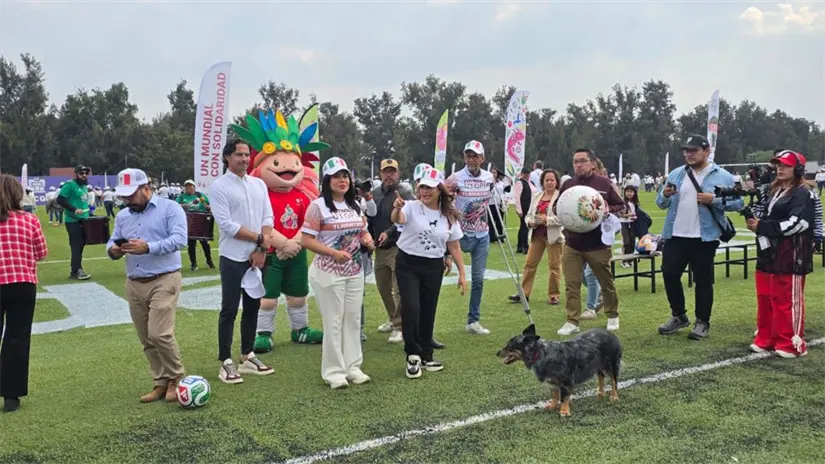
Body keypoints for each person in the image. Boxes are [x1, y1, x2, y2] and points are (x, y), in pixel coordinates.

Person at [106, 169, 188, 402]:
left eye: (130, 194)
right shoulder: (123, 216)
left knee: (159, 333)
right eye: (123, 195)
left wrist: (148, 247)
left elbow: (180, 239)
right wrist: (113, 250)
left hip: (164, 278)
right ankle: (160, 382)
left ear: (146, 188)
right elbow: (113, 239)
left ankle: (177, 378)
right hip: (134, 281)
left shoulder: (170, 208)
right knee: (146, 337)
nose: (126, 200)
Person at [656, 134, 742, 340]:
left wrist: (715, 200)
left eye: (694, 150)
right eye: (686, 150)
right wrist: (665, 195)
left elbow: (738, 203)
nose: (689, 154)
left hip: (704, 237)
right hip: (676, 234)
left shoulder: (722, 175)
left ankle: (702, 322)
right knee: (669, 274)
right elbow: (661, 203)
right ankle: (678, 315)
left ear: (707, 150)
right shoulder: (677, 173)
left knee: (703, 281)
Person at [302, 157, 375, 389]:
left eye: (345, 176)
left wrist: (368, 238)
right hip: (327, 273)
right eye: (336, 176)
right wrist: (333, 253)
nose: (342, 180)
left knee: (352, 320)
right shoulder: (318, 207)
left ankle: (352, 367)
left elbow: (362, 230)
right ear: (327, 180)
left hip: (354, 271)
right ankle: (334, 372)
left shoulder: (354, 204)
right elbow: (306, 240)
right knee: (333, 321)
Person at [210, 139, 276, 384]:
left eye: (247, 155)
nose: (245, 159)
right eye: (239, 155)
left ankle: (247, 355)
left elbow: (268, 216)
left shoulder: (258, 184)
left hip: (257, 257)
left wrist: (261, 247)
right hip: (232, 257)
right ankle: (225, 361)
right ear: (227, 157)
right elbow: (226, 224)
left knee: (253, 306)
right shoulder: (219, 187)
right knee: (229, 309)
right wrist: (259, 237)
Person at [391, 166, 466, 379]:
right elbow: (398, 219)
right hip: (408, 264)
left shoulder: (449, 215)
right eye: (422, 186)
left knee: (428, 310)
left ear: (440, 190)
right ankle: (412, 355)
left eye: (430, 187)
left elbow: (454, 245)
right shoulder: (411, 207)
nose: (425, 191)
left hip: (434, 267)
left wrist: (462, 273)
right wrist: (396, 209)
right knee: (412, 307)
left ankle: (426, 354)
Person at [747, 150, 814, 358]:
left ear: (798, 169)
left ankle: (791, 342)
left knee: (786, 299)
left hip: (790, 254)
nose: (780, 168)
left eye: (785, 165)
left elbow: (798, 223)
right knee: (765, 297)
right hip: (769, 253)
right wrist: (755, 221)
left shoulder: (803, 193)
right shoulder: (775, 191)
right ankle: (766, 338)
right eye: (778, 165)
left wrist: (763, 226)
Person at [554, 149, 626, 336]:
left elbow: (620, 205)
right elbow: (557, 206)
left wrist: (609, 208)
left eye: (583, 161)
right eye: (575, 161)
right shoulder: (568, 184)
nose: (579, 164)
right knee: (572, 283)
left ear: (592, 163)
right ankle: (572, 320)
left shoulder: (604, 183)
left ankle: (612, 314)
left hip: (598, 244)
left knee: (606, 281)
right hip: (572, 242)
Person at [0, 175, 48, 413]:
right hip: (22, 284)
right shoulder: (29, 220)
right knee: (17, 339)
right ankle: (11, 396)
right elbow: (41, 253)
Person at [445, 140, 494, 335]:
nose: (471, 159)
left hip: (482, 233)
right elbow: (443, 197)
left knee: (479, 279)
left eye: (475, 156)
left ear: (482, 158)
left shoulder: (489, 177)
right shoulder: (456, 177)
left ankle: (473, 320)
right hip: (460, 233)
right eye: (468, 156)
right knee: (444, 271)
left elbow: (491, 199)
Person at [366, 158, 415, 343]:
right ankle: (393, 318)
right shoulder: (374, 194)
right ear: (380, 174)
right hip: (379, 248)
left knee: (398, 289)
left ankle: (399, 326)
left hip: (399, 247)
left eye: (392, 172)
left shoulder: (405, 193)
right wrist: (368, 237)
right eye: (386, 172)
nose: (389, 175)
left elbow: (405, 219)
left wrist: (389, 233)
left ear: (398, 173)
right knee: (383, 287)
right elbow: (370, 218)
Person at [509, 169, 563, 305]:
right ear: (542, 182)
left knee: (554, 266)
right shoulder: (537, 196)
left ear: (556, 182)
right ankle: (524, 294)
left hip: (553, 236)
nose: (549, 182)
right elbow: (528, 215)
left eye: (552, 180)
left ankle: (554, 295)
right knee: (529, 264)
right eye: (547, 180)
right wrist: (530, 222)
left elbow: (563, 218)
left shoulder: (561, 197)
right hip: (537, 235)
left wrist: (547, 220)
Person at [56, 166, 92, 280]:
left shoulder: (84, 186)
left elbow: (82, 202)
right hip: (73, 220)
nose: (84, 175)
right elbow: (60, 199)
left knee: (81, 245)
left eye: (86, 172)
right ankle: (76, 270)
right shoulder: (70, 184)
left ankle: (76, 270)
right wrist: (74, 209)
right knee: (76, 245)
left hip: (83, 220)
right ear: (75, 174)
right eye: (81, 173)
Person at [176, 179, 215, 271]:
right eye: (187, 186)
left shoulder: (200, 195)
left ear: (194, 187)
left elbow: (209, 206)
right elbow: (176, 205)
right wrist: (187, 204)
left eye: (190, 186)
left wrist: (208, 207)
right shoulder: (181, 197)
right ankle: (193, 263)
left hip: (201, 221)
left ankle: (209, 261)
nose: (188, 188)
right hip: (189, 222)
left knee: (205, 242)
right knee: (191, 244)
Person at [513, 168, 533, 253]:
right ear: (522, 174)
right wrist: (519, 210)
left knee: (523, 227)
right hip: (523, 209)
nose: (526, 175)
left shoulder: (528, 183)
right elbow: (517, 197)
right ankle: (524, 246)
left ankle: (521, 246)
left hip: (527, 208)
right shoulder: (519, 183)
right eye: (525, 173)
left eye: (528, 173)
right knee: (524, 228)